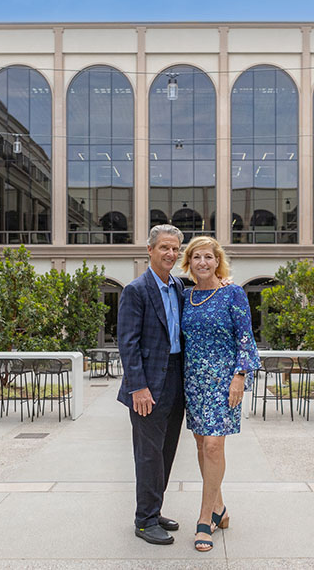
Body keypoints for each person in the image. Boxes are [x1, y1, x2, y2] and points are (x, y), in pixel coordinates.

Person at [179, 236, 260, 553]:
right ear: (189, 261)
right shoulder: (185, 296)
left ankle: (204, 519)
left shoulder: (233, 293)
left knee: (213, 444)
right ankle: (221, 508)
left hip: (224, 382)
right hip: (194, 381)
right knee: (202, 444)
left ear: (217, 261)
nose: (202, 262)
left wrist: (240, 376)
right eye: (196, 257)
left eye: (208, 257)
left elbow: (245, 338)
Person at [117, 224, 185, 545]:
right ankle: (144, 521)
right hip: (147, 385)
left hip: (176, 379)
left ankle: (154, 509)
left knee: (166, 452)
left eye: (175, 249)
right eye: (164, 248)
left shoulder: (180, 287)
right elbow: (127, 343)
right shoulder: (136, 290)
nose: (171, 254)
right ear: (150, 250)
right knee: (148, 454)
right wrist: (137, 387)